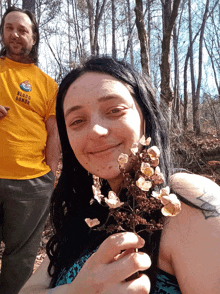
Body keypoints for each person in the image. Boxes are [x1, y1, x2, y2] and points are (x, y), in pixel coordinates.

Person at [20, 56, 220, 294]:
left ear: (145, 115)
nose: (95, 130)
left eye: (114, 110)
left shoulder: (185, 198)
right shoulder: (87, 210)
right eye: (77, 121)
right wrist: (77, 291)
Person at [0, 6, 60, 294]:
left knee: (20, 259)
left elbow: (54, 134)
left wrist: (50, 174)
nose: (15, 34)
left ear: (33, 38)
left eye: (23, 30)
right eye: (9, 27)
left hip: (31, 183)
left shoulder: (48, 85)